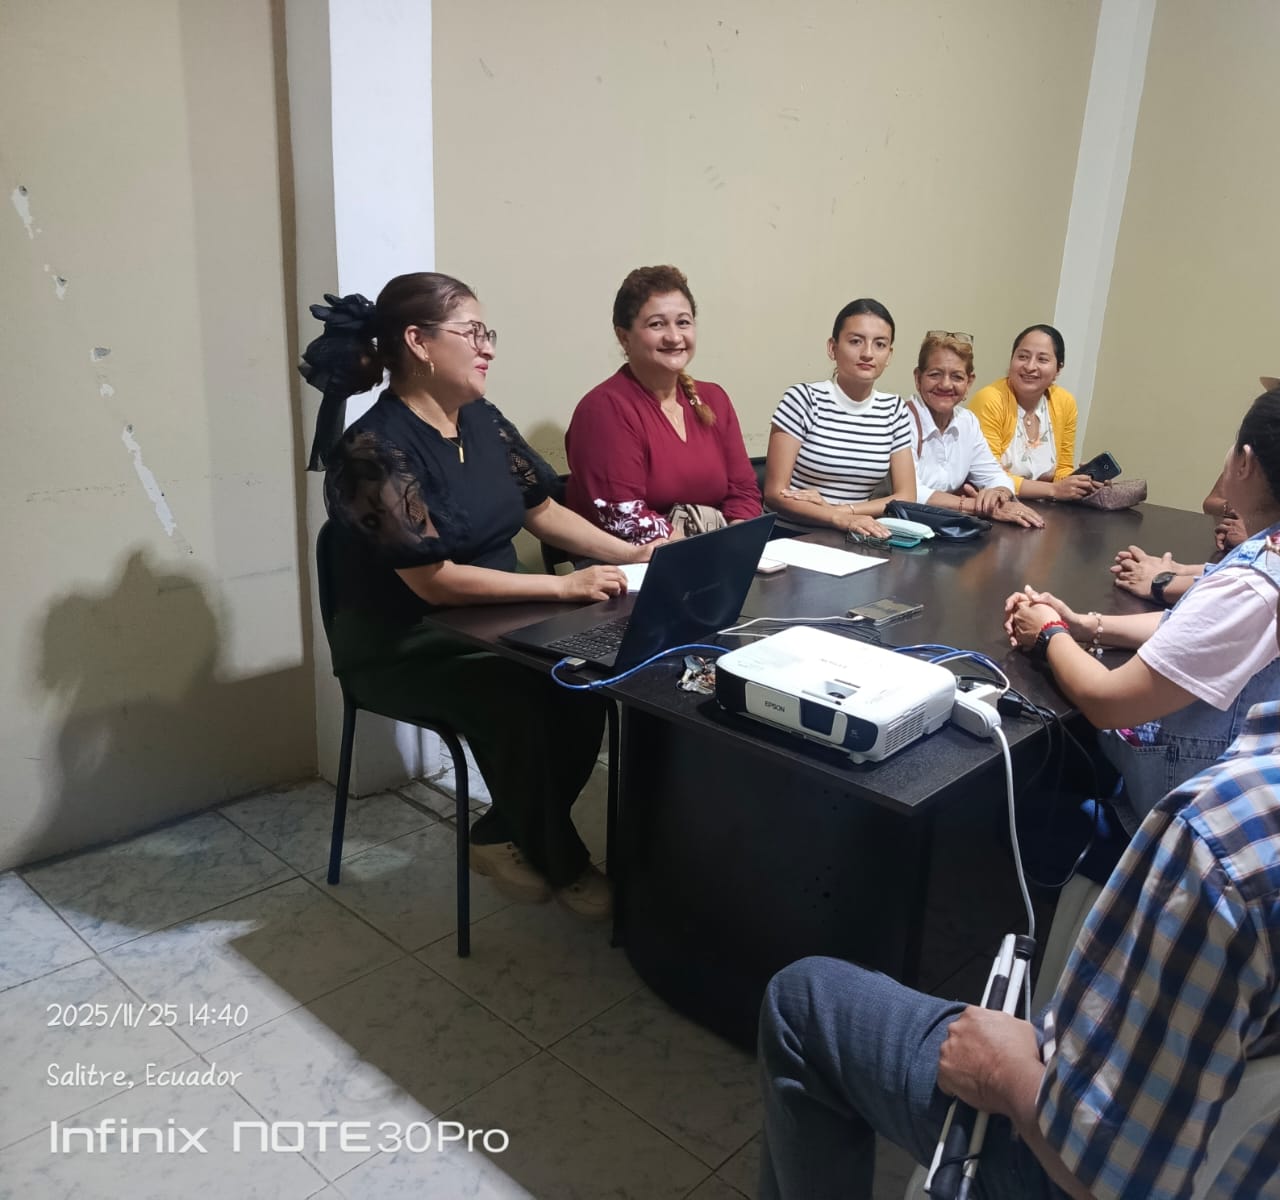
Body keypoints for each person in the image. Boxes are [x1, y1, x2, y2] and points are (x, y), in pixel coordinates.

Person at [758, 434, 1280, 1200]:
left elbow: (1104, 1168)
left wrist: (1007, 1071)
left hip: (1117, 1176)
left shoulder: (1228, 841)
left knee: (806, 1000)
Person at [302, 272, 658, 921]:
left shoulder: (483, 421)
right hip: (406, 639)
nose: (487, 346)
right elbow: (433, 581)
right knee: (515, 704)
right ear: (419, 342)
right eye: (472, 333)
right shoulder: (373, 451)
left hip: (503, 618)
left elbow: (542, 509)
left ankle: (502, 832)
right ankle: (562, 860)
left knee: (585, 688)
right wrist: (562, 585)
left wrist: (630, 554)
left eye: (487, 333)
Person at [1005, 379, 1280, 828]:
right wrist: (1087, 625)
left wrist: (1049, 633)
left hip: (1193, 806)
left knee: (1023, 806)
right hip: (1258, 780)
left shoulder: (1256, 582)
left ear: (1245, 462)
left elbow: (1107, 703)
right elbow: (1195, 627)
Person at [1111, 351, 1280, 607]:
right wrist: (1183, 569)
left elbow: (1254, 580)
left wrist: (1164, 582)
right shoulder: (1262, 447)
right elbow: (1212, 503)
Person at [565, 265, 763, 542]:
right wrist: (698, 551)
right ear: (624, 337)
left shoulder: (714, 398)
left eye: (683, 322)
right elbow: (624, 516)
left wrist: (735, 542)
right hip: (632, 560)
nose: (674, 337)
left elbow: (744, 492)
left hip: (712, 549)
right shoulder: (604, 409)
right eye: (657, 324)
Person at [764, 299, 917, 537]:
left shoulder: (893, 409)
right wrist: (838, 518)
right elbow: (774, 494)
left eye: (880, 344)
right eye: (855, 341)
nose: (867, 353)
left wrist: (842, 511)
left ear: (889, 355)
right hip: (791, 535)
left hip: (854, 535)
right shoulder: (803, 399)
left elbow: (907, 496)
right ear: (832, 348)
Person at [906, 331, 1044, 528]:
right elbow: (910, 492)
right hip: (898, 529)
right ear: (918, 378)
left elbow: (995, 475)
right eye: (935, 374)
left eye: (957, 377)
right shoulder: (901, 419)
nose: (945, 384)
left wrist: (998, 495)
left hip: (945, 528)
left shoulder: (967, 421)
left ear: (969, 382)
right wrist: (975, 506)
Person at [967, 324, 1101, 503]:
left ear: (1058, 369)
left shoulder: (1065, 402)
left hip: (1047, 507)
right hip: (995, 503)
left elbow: (1062, 469)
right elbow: (987, 476)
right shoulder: (990, 399)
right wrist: (1053, 490)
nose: (1030, 366)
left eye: (1042, 359)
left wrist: (1081, 481)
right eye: (1022, 357)